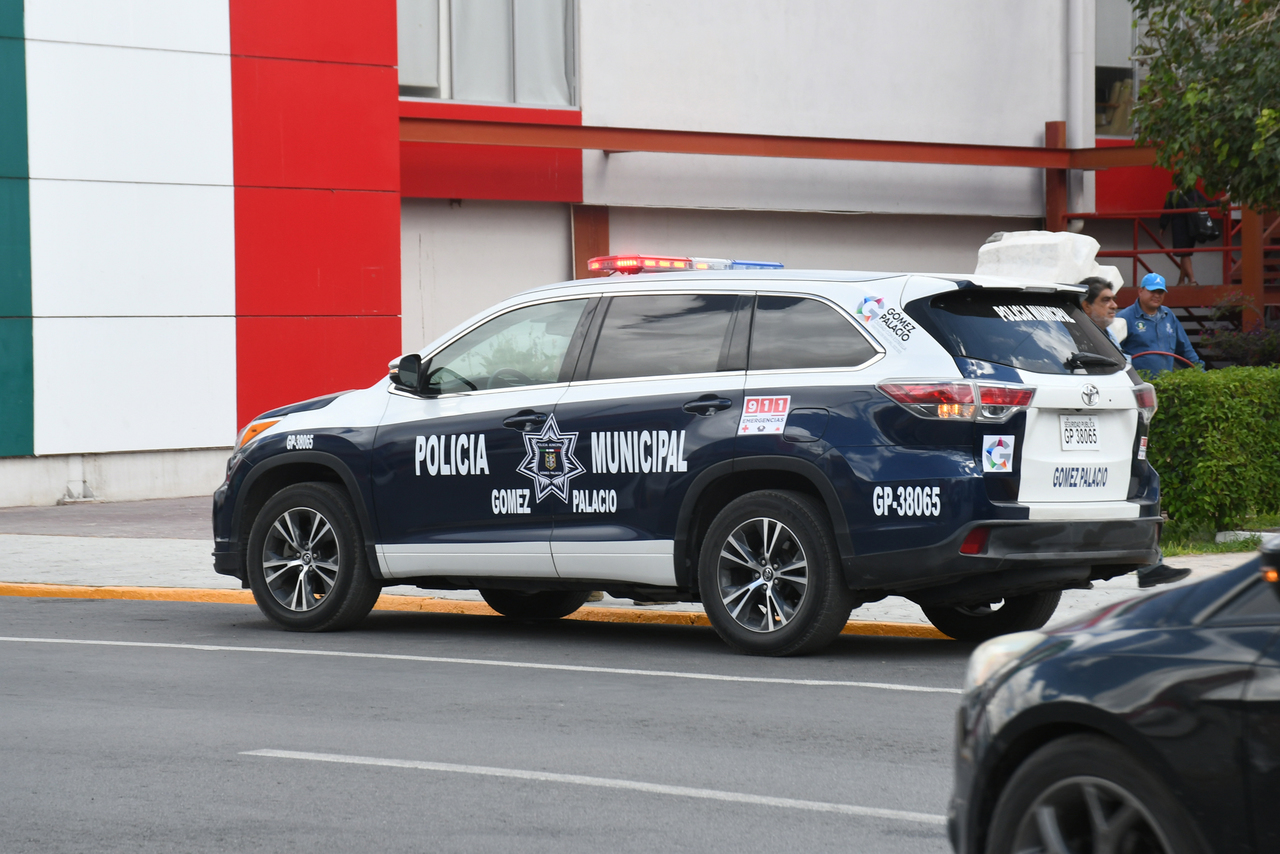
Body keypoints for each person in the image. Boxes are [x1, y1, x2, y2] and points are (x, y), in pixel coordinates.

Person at [1117, 273, 1205, 376]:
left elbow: (1185, 350)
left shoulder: (1169, 315)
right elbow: (1114, 354)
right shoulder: (1124, 318)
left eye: (1160, 292)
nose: (1157, 295)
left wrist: (1201, 372)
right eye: (1152, 291)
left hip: (1165, 384)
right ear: (1140, 291)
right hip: (1137, 385)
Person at [1159, 187, 1208, 287]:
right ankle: (1181, 281)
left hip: (1179, 227)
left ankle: (1192, 280)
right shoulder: (1194, 192)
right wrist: (1220, 201)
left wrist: (1162, 226)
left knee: (1184, 253)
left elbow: (1166, 211)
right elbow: (1205, 203)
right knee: (1185, 253)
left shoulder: (1173, 194)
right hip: (1192, 226)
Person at [1078, 276, 1123, 348]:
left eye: (1113, 300)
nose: (1115, 306)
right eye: (1106, 300)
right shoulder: (1076, 336)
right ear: (1087, 306)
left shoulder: (1109, 334)